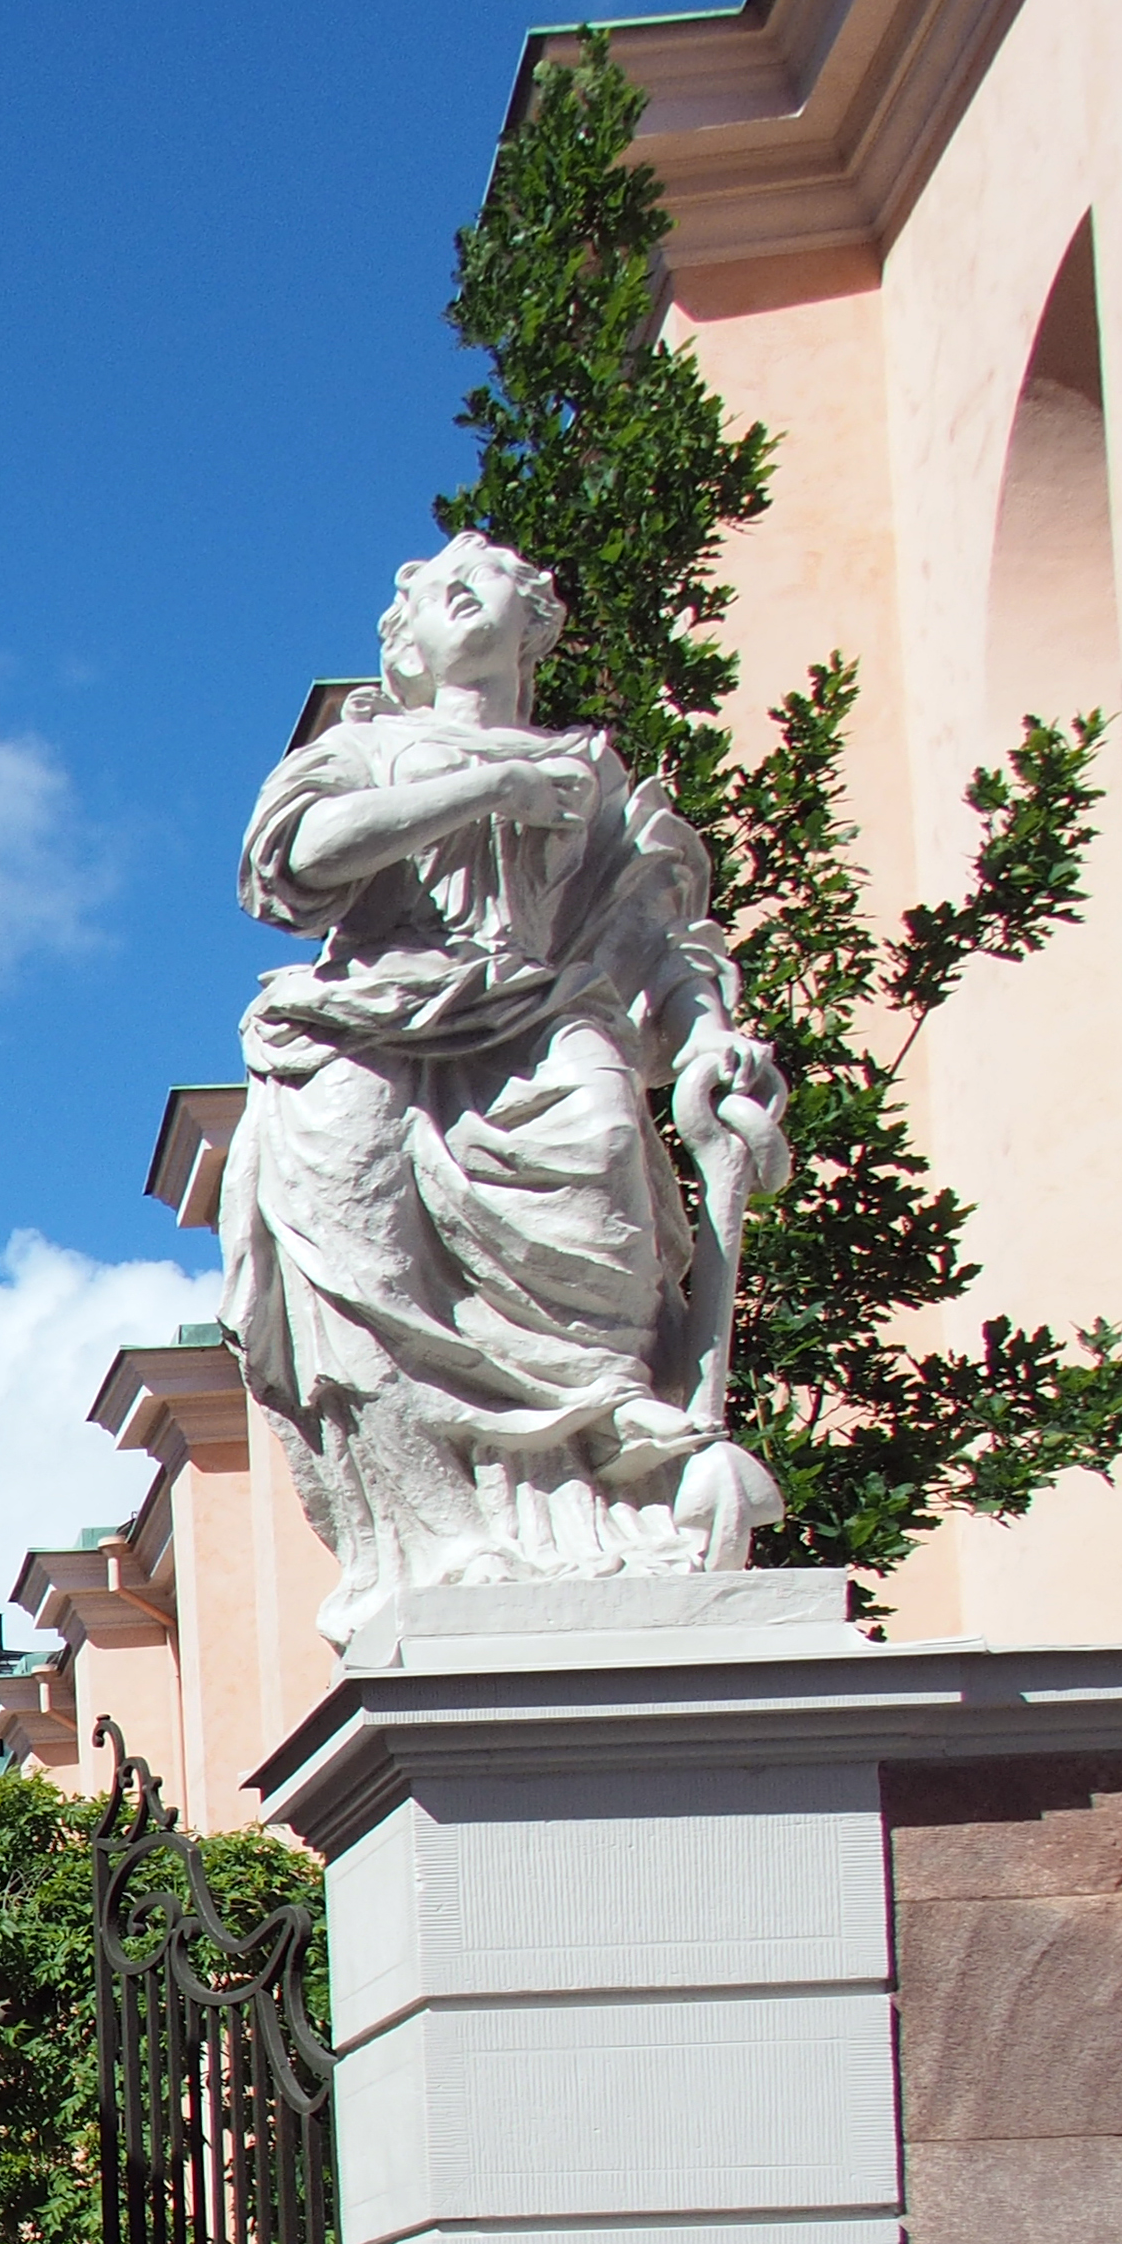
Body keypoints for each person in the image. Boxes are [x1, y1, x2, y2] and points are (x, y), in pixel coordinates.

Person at [219, 531, 789, 1644]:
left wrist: (705, 1035)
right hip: (364, 1036)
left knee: (603, 1174)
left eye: (495, 585)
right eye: (442, 588)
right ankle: (437, 1534)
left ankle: (608, 1501)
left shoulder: (590, 770)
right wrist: (486, 785)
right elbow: (287, 868)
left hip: (542, 1015)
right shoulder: (363, 748)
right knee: (362, 1284)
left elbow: (656, 932)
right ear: (407, 645)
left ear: (534, 629)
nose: (467, 588)